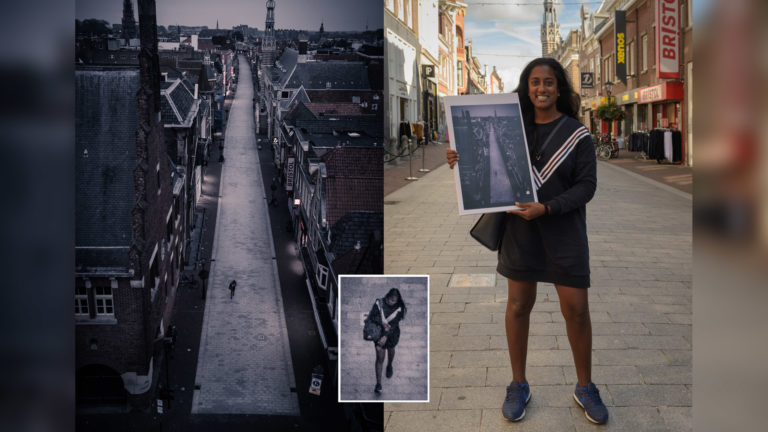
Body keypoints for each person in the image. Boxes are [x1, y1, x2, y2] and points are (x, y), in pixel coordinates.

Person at [446, 57, 608, 424]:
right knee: (518, 306)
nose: (541, 89)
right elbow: (482, 163)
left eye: (548, 82)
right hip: (520, 232)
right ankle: (518, 383)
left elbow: (587, 187)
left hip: (564, 233)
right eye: (534, 82)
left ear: (559, 88)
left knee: (577, 311)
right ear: (526, 87)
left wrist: (547, 208)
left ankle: (585, 386)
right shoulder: (510, 127)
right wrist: (459, 157)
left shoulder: (577, 134)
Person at [368, 288, 406, 395]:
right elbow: (373, 316)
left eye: (394, 301)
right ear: (387, 297)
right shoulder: (379, 303)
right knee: (380, 357)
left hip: (392, 334)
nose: (391, 302)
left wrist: (385, 336)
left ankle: (389, 365)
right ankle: (378, 384)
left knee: (391, 349)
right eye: (390, 300)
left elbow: (393, 325)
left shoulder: (399, 308)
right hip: (379, 332)